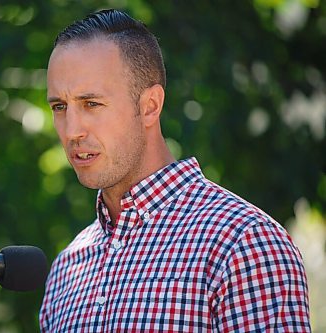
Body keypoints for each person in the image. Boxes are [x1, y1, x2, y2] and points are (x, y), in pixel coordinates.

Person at [40, 9, 310, 332]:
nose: (71, 131)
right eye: (59, 107)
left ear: (150, 106)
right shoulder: (66, 270)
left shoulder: (244, 245)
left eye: (91, 104)